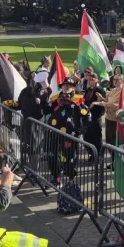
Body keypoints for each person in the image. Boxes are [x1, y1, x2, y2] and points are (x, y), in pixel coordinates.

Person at [42, 76, 89, 213]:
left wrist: (81, 129)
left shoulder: (78, 100)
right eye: (64, 85)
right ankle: (55, 177)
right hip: (53, 133)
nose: (66, 87)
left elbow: (87, 115)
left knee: (69, 158)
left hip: (69, 135)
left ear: (73, 87)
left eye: (69, 85)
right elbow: (47, 110)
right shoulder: (55, 98)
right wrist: (44, 97)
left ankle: (71, 180)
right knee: (51, 156)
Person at [82, 69, 107, 156]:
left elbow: (103, 103)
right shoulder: (88, 90)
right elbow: (85, 100)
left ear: (96, 80)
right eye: (88, 80)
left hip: (96, 116)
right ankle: (91, 153)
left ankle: (98, 155)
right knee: (87, 136)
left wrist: (95, 104)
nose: (90, 81)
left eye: (92, 79)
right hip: (87, 116)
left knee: (96, 137)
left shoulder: (100, 90)